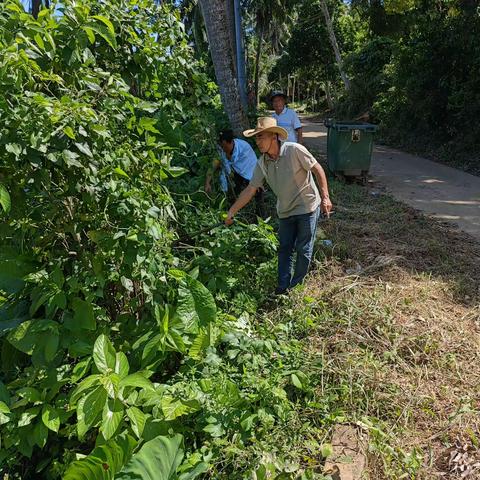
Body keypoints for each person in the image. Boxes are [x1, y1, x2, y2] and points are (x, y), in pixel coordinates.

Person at [225, 117, 332, 295]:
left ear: (274, 137)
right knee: (284, 250)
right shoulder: (262, 163)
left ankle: (295, 287)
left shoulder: (294, 150)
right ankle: (282, 289)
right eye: (256, 138)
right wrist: (231, 212)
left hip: (307, 207)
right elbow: (250, 190)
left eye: (261, 137)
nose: (258, 142)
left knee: (303, 249)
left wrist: (325, 197)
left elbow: (317, 168)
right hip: (285, 210)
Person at [205, 129, 265, 218]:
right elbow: (214, 165)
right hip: (236, 173)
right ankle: (233, 215)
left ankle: (260, 217)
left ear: (231, 142)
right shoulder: (222, 150)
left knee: (257, 193)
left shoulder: (243, 147)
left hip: (250, 172)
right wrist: (207, 182)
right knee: (234, 194)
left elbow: (252, 167)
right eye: (221, 146)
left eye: (224, 146)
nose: (223, 148)